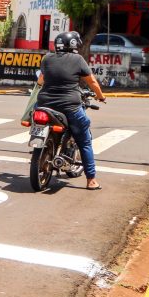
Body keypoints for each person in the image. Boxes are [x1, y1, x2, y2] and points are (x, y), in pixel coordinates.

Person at [36, 31, 107, 190]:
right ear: (73, 45)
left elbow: (40, 81)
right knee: (84, 139)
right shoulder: (77, 60)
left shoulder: (47, 58)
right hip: (70, 107)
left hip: (44, 104)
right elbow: (92, 82)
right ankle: (91, 180)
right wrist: (100, 97)